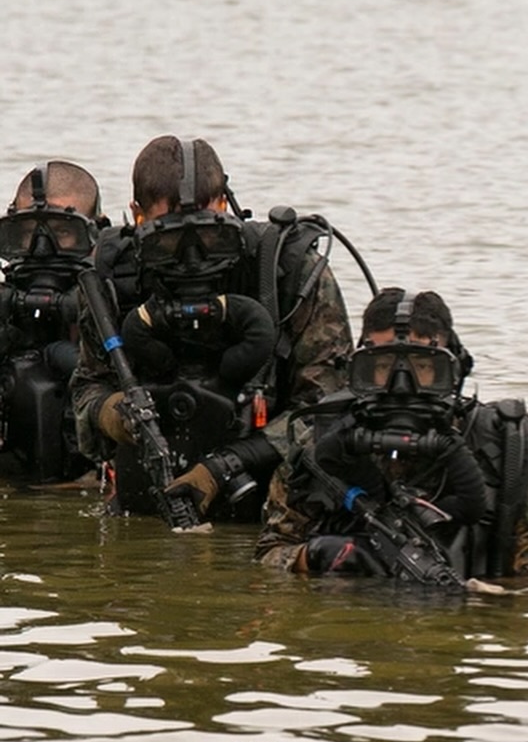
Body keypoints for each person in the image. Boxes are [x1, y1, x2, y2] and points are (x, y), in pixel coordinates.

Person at [70, 135, 355, 523]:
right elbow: (87, 388)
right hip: (147, 501)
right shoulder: (110, 278)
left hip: (270, 502)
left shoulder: (285, 272)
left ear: (225, 206)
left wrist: (225, 466)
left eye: (207, 234)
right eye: (167, 238)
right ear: (137, 216)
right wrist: (113, 415)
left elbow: (329, 411)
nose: (191, 257)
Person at [254, 287, 528, 580]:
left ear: (453, 370)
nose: (401, 386)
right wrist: (313, 556)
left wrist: (483, 607)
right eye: (382, 367)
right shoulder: (320, 448)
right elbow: (270, 552)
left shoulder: (504, 454)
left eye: (423, 367)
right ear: (358, 372)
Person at [0, 160, 106, 482]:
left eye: (63, 231)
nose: (42, 248)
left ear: (94, 230)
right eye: (29, 232)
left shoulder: (112, 307)